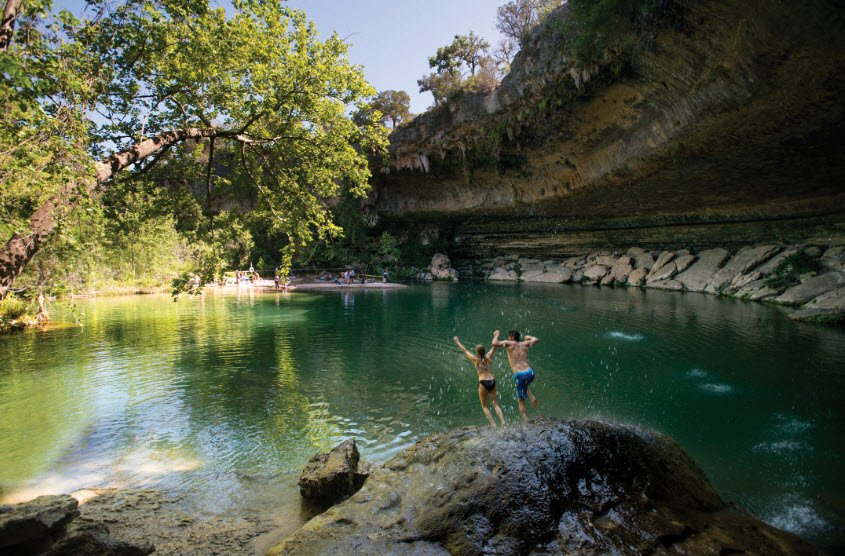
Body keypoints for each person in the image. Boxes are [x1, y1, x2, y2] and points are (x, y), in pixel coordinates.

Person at [453, 331, 506, 427]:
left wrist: (457, 342)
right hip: (492, 380)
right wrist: (496, 336)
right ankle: (503, 422)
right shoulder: (488, 356)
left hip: (483, 382)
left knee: (484, 405)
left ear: (477, 352)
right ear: (484, 351)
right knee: (495, 403)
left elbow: (464, 350)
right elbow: (494, 346)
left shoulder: (475, 359)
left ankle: (493, 424)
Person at [493, 329, 540, 422]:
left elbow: (494, 343)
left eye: (509, 336)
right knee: (524, 382)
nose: (507, 338)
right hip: (530, 372)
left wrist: (496, 335)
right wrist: (528, 337)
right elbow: (536, 339)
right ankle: (532, 397)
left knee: (521, 401)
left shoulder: (508, 343)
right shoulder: (525, 344)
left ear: (512, 337)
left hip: (520, 374)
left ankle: (526, 421)